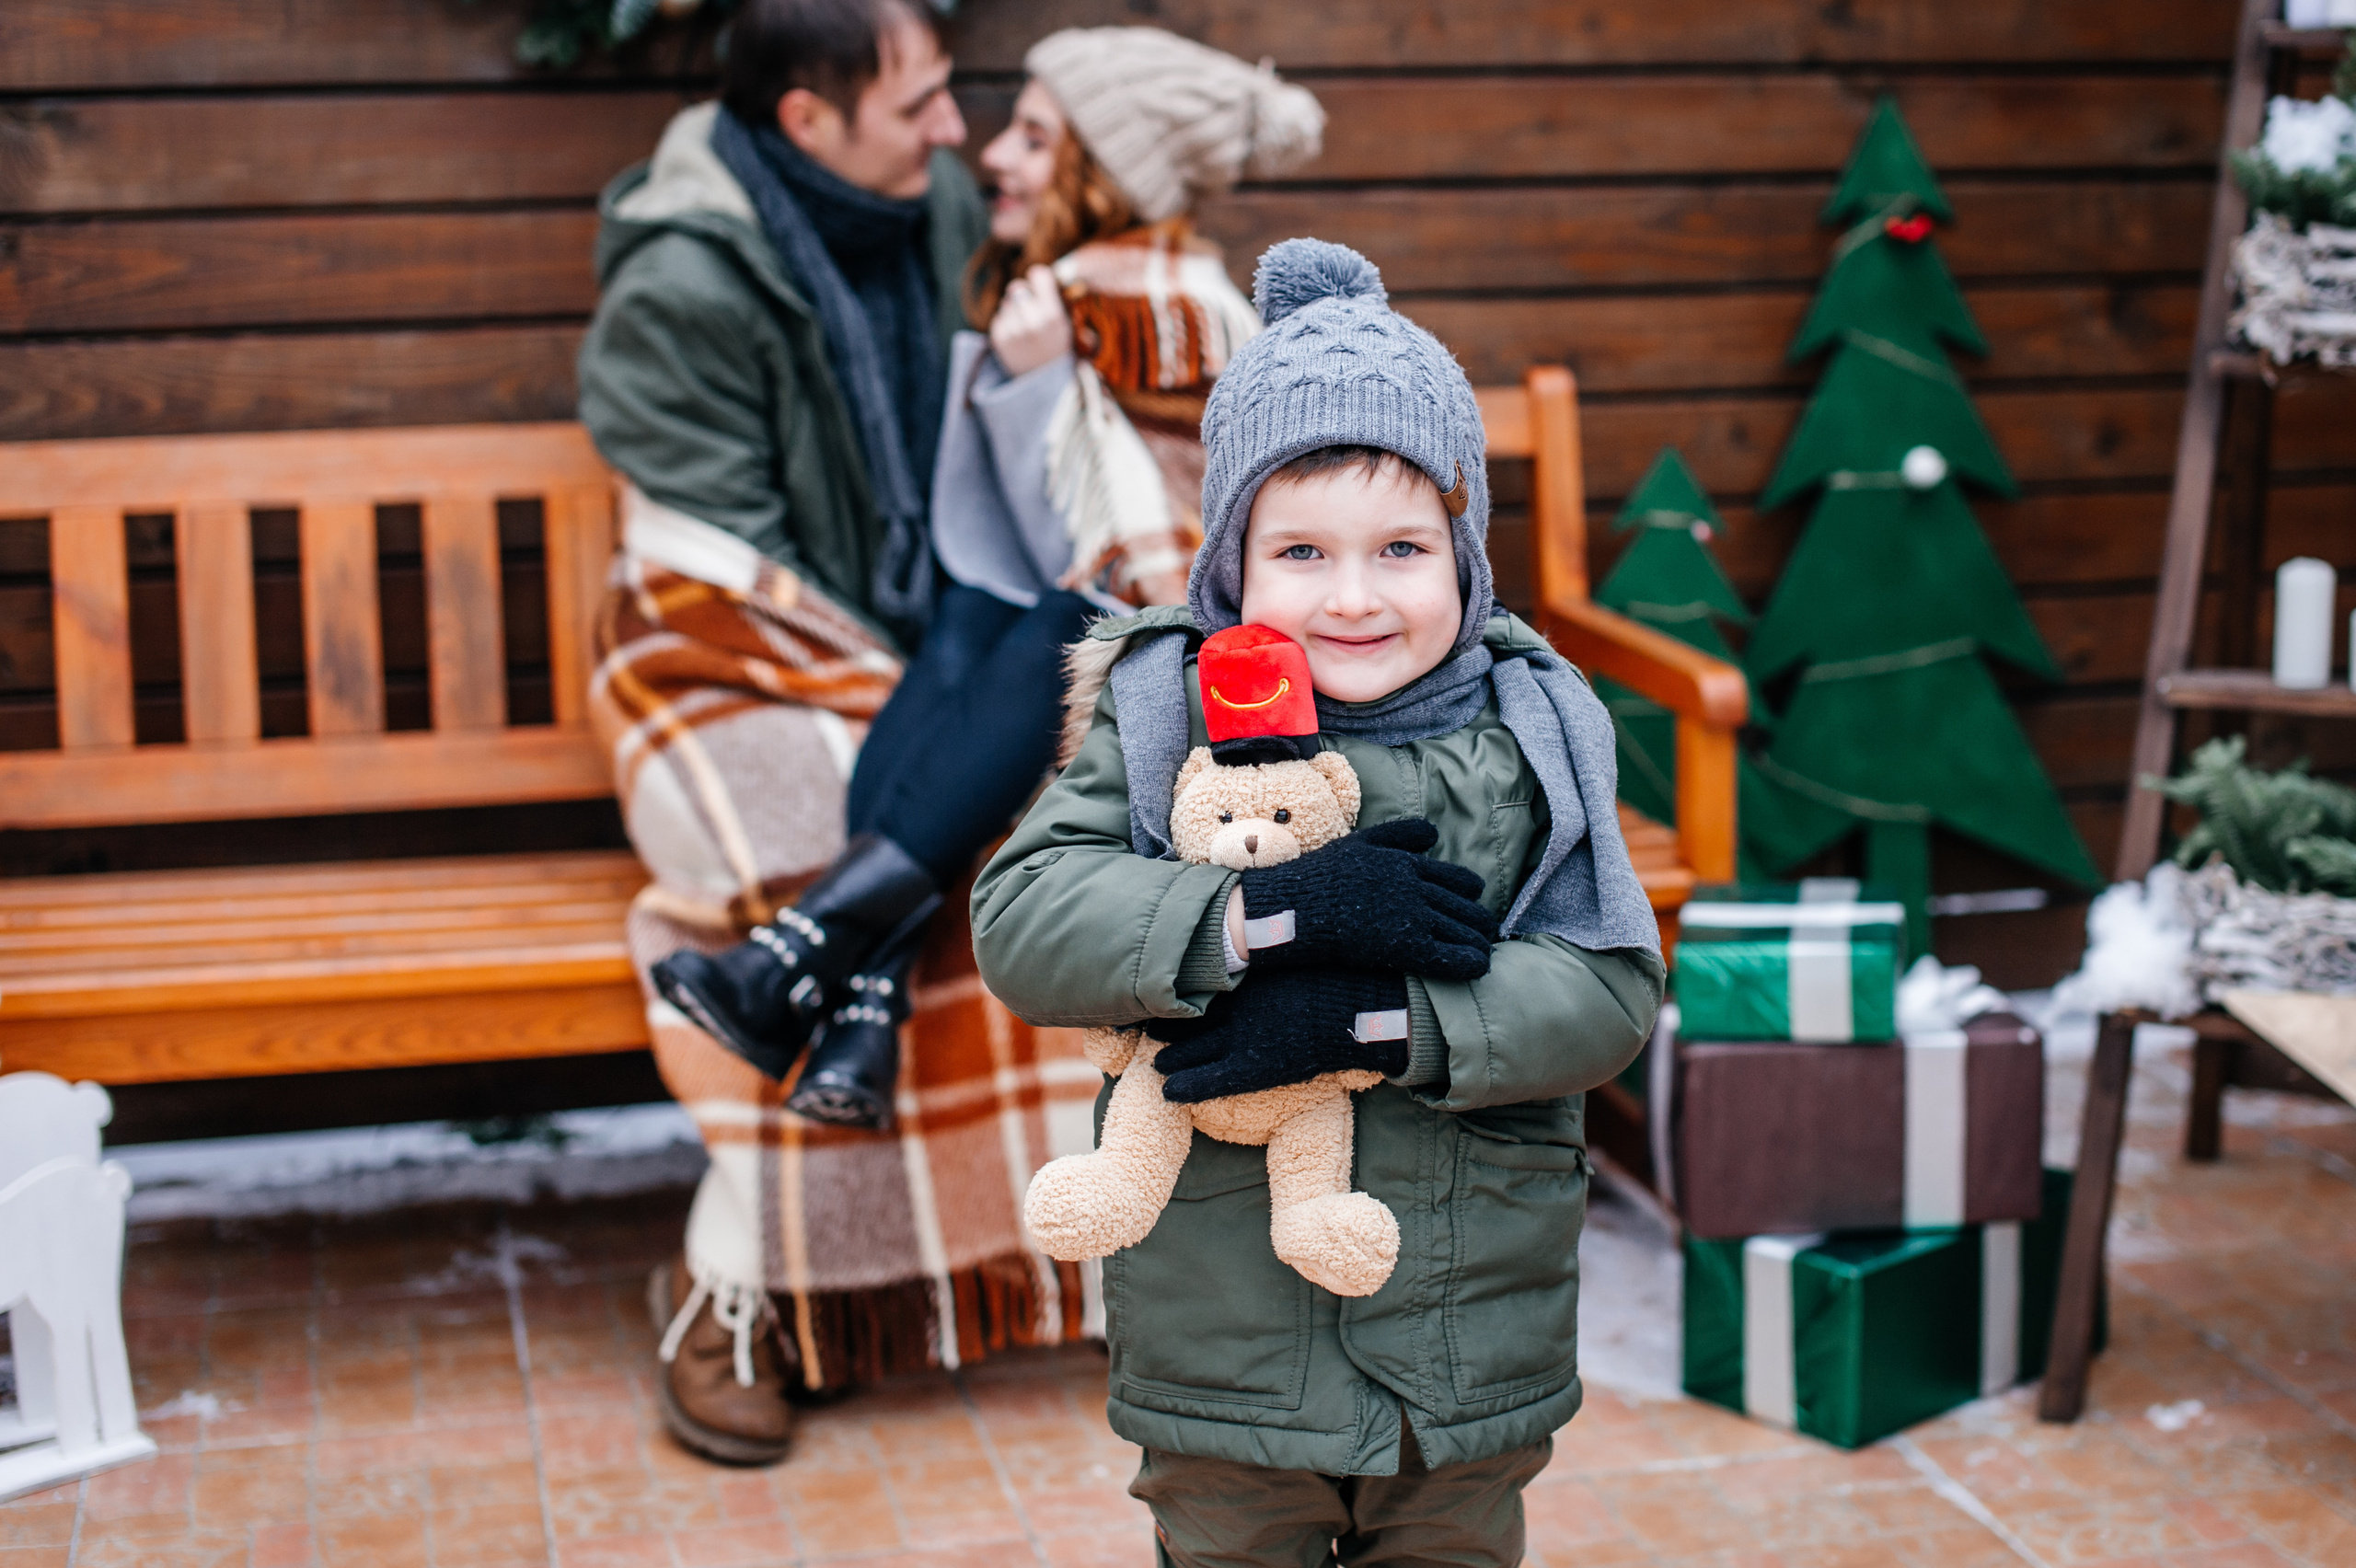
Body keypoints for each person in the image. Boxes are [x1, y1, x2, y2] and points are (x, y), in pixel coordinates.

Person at [576, 6, 1322, 1464]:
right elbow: (745, 542)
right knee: (821, 828)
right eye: (920, 103)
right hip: (762, 620)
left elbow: (1122, 537)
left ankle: (828, 993)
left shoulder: (968, 225)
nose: (957, 133)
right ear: (812, 120)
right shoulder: (688, 273)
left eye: (974, 108)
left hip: (980, 625)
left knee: (1015, 831)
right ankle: (756, 1291)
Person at [971, 239, 1666, 1566]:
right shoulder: (1162, 710)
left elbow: (1607, 987)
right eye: (1301, 550)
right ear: (1233, 561)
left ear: (1464, 553)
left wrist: (1374, 1023)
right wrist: (1263, 916)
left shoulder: (1534, 727)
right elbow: (1026, 917)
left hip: (1467, 1315)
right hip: (1225, 1331)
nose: (1353, 597)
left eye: (1402, 547)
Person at [654, 27, 1322, 1129]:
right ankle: (851, 1003)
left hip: (1202, 664)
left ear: (1104, 171)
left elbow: (1133, 570)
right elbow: (1016, 555)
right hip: (1069, 622)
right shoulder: (1067, 297)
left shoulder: (1175, 321)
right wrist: (1034, 381)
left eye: (1033, 138)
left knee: (1053, 618)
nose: (994, 156)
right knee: (979, 612)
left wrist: (1035, 385)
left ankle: (804, 964)